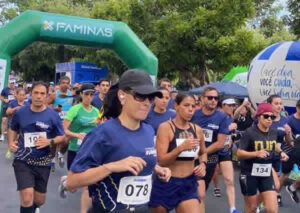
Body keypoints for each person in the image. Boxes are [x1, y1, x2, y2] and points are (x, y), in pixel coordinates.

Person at [65, 69, 171, 213]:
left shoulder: (148, 131)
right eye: (140, 96)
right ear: (122, 95)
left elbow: (138, 157)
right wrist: (110, 167)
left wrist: (157, 168)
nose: (147, 103)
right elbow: (72, 181)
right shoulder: (103, 132)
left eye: (150, 98)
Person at [8, 81, 65, 213]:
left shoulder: (53, 116)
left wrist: (49, 141)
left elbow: (62, 137)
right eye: (36, 93)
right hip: (23, 160)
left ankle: (34, 208)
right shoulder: (21, 113)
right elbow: (13, 128)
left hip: (43, 162)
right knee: (27, 197)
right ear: (31, 94)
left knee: (39, 200)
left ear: (46, 96)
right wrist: (11, 142)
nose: (39, 96)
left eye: (42, 93)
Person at [149, 93, 207, 213]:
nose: (190, 109)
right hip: (166, 182)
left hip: (188, 183)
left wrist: (203, 164)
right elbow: (161, 160)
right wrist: (180, 148)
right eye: (186, 105)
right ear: (176, 106)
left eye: (193, 106)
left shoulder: (198, 130)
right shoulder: (165, 128)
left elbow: (203, 152)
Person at [237, 103, 289, 213]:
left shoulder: (274, 132)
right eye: (266, 116)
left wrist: (281, 152)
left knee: (272, 209)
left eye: (272, 117)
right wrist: (256, 154)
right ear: (259, 116)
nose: (269, 119)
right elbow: (239, 153)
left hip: (265, 172)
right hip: (249, 173)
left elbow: (273, 145)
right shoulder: (249, 132)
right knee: (251, 208)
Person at [58, 83, 100, 213]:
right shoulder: (75, 109)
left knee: (88, 185)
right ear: (81, 95)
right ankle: (65, 183)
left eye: (91, 95)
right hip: (75, 149)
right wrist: (77, 135)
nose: (89, 97)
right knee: (74, 185)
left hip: (90, 151)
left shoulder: (96, 111)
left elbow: (99, 129)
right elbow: (64, 129)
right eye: (86, 94)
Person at [191, 87, 228, 213]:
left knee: (200, 193)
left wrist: (202, 152)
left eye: (216, 98)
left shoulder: (222, 117)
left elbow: (220, 143)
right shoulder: (193, 114)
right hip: (191, 159)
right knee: (198, 193)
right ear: (202, 98)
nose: (213, 100)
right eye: (210, 97)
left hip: (210, 161)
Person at [213, 98, 241, 213]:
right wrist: (227, 129)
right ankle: (215, 187)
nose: (231, 108)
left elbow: (230, 136)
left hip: (225, 153)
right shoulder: (216, 116)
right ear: (223, 105)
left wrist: (231, 140)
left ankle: (233, 209)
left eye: (233, 106)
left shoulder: (230, 118)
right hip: (213, 151)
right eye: (229, 105)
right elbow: (213, 134)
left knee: (229, 180)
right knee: (209, 176)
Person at [266, 95, 293, 206]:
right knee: (266, 178)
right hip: (265, 153)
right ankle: (265, 198)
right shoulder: (265, 118)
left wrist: (288, 133)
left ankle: (276, 195)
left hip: (277, 154)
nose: (279, 106)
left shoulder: (284, 120)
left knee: (276, 179)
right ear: (269, 104)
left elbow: (288, 141)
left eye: (280, 103)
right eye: (276, 103)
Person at [48, 76, 73, 169]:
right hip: (55, 121)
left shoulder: (71, 95)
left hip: (67, 122)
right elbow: (46, 105)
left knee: (66, 141)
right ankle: (52, 158)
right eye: (63, 83)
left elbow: (74, 107)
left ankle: (61, 154)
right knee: (54, 143)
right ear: (60, 84)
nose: (65, 85)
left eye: (67, 83)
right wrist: (54, 109)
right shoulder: (55, 94)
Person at [285, 99, 300, 203]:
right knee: (283, 176)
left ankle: (292, 188)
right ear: (297, 108)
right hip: (291, 151)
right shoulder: (289, 120)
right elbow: (286, 138)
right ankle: (274, 196)